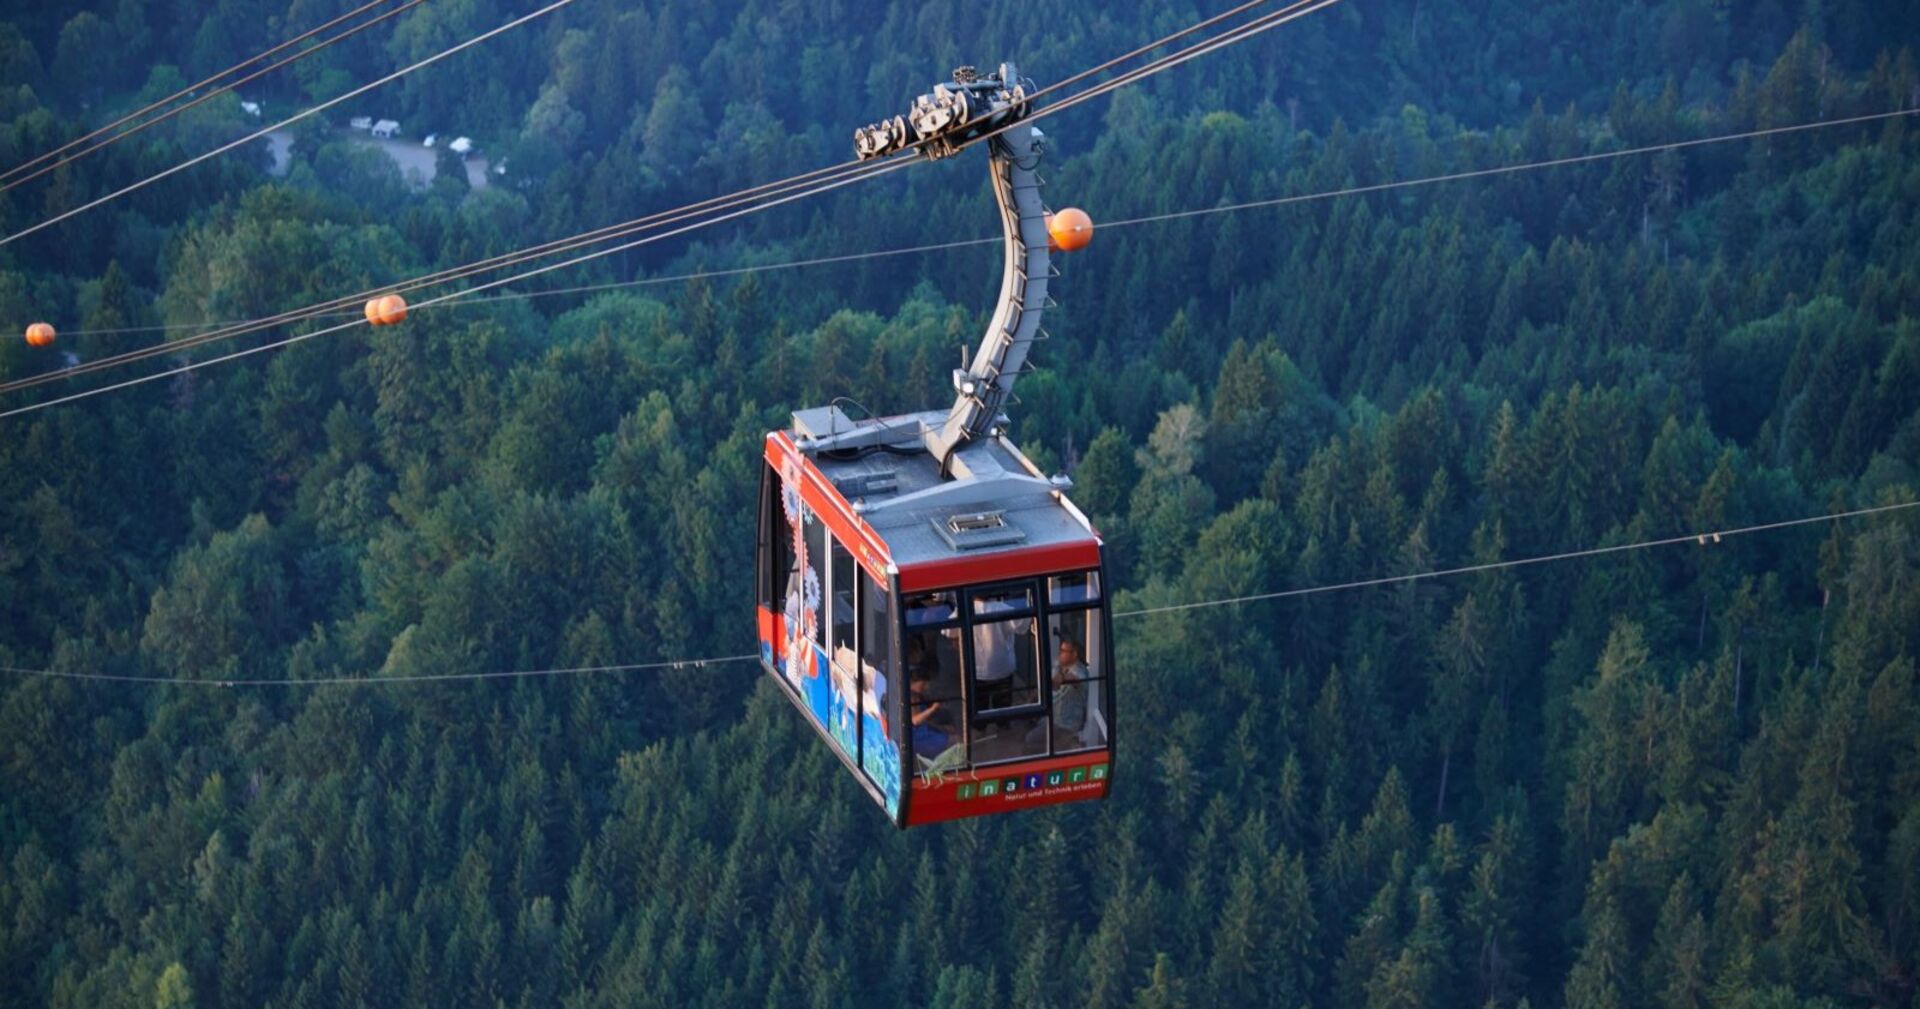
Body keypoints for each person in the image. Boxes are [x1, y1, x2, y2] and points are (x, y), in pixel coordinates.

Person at [909, 666, 957, 758]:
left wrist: (941, 728)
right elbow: (915, 720)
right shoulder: (908, 697)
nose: (926, 687)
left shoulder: (917, 695)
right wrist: (932, 709)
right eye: (923, 683)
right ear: (913, 682)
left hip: (925, 732)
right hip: (917, 739)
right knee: (956, 741)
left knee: (954, 733)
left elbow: (925, 722)